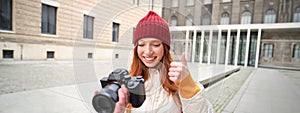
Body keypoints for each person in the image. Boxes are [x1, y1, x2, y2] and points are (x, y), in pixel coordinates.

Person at [114, 11, 213, 113]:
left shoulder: (178, 78)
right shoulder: (130, 80)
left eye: (155, 44)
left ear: (165, 48)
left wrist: (188, 87)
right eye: (141, 44)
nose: (148, 51)